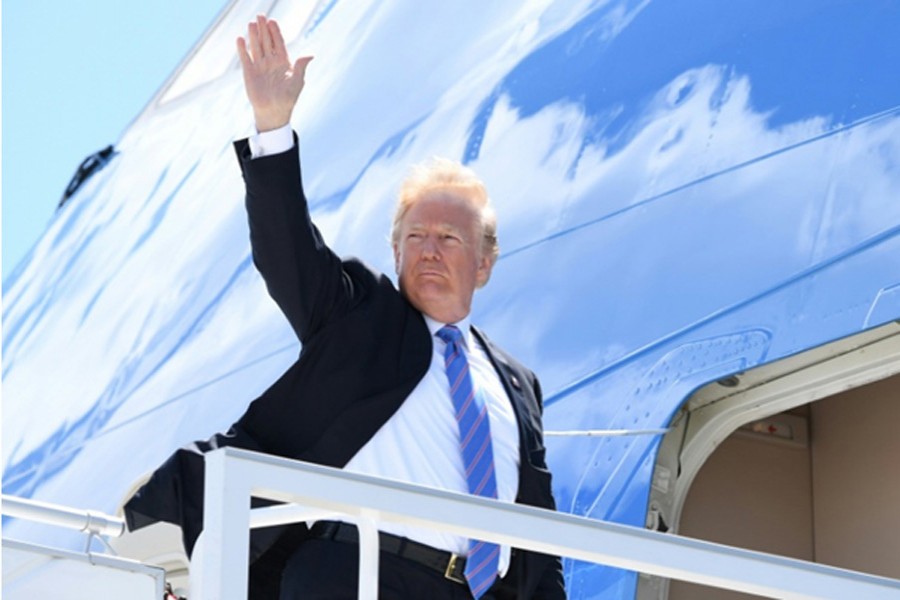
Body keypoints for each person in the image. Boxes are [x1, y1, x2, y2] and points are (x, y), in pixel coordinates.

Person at [125, 15, 566, 600]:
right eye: (415, 236)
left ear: (484, 263)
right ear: (395, 248)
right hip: (354, 576)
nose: (428, 250)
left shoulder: (517, 383)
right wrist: (272, 125)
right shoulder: (362, 314)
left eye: (449, 238)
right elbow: (289, 254)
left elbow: (538, 527)